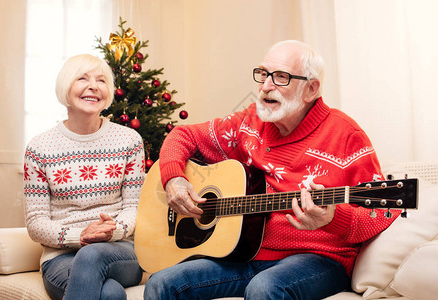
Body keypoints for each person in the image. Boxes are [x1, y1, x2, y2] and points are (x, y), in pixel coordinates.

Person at [144, 40, 399, 300]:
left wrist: (333, 219)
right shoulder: (249, 122)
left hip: (319, 259)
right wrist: (174, 177)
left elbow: (381, 212)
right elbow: (183, 135)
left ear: (311, 89)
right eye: (263, 74)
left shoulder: (345, 135)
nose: (265, 87)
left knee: (264, 288)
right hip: (245, 253)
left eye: (281, 78)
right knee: (162, 283)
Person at [23, 54, 145, 300]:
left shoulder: (129, 141)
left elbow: (134, 207)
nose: (93, 86)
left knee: (92, 255)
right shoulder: (39, 147)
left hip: (120, 250)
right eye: (82, 78)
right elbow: (36, 223)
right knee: (110, 294)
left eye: (101, 80)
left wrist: (113, 231)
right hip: (61, 256)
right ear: (65, 87)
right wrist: (80, 236)